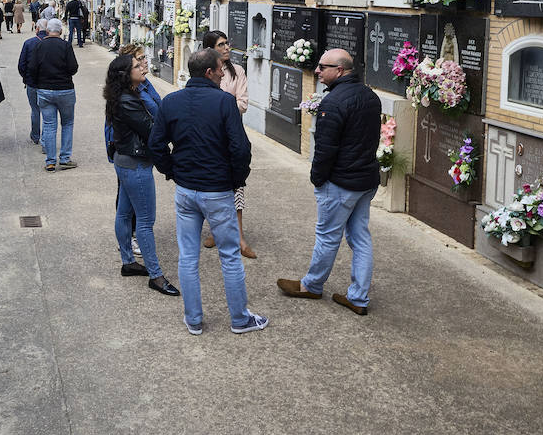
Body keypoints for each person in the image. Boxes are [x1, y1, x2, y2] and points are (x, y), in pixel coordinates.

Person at [149, 48, 268, 336]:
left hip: (186, 190)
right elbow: (240, 148)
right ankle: (240, 319)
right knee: (229, 255)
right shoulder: (224, 102)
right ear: (208, 73)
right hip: (217, 189)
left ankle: (193, 320)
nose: (222, 73)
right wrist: (236, 180)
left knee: (188, 256)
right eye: (219, 70)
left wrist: (173, 171)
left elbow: (156, 145)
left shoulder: (171, 101)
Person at [277, 48, 380, 315]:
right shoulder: (370, 96)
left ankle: (311, 285)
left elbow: (325, 148)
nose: (318, 71)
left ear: (341, 70)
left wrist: (317, 179)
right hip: (365, 180)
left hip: (341, 182)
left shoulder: (333, 103)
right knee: (360, 238)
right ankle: (358, 297)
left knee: (327, 236)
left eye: (323, 67)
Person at [104, 51, 179, 297]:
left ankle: (128, 262)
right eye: (137, 66)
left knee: (124, 213)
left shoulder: (129, 93)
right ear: (126, 75)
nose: (143, 67)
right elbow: (151, 129)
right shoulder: (127, 99)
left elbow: (157, 106)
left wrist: (145, 83)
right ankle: (156, 276)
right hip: (135, 164)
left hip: (126, 161)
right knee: (145, 222)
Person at [199, 31, 256, 259]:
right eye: (221, 45)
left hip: (232, 136)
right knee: (212, 184)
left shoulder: (237, 71)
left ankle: (239, 238)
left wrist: (219, 105)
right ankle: (214, 230)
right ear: (210, 49)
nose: (227, 48)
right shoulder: (203, 72)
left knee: (236, 187)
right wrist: (225, 104)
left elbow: (243, 103)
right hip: (211, 138)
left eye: (227, 43)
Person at [28, 18, 78, 172]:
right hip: (65, 90)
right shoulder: (65, 46)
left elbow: (31, 69)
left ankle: (50, 161)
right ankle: (64, 158)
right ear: (61, 31)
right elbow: (73, 67)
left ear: (47, 31)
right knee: (67, 124)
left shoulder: (39, 45)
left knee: (49, 126)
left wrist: (38, 83)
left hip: (44, 90)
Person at [19, 18, 48, 150]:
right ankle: (45, 137)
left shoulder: (28, 43)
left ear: (36, 28)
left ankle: (35, 136)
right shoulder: (51, 44)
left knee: (35, 110)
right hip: (47, 83)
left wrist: (26, 77)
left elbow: (21, 64)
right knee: (47, 111)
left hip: (31, 82)